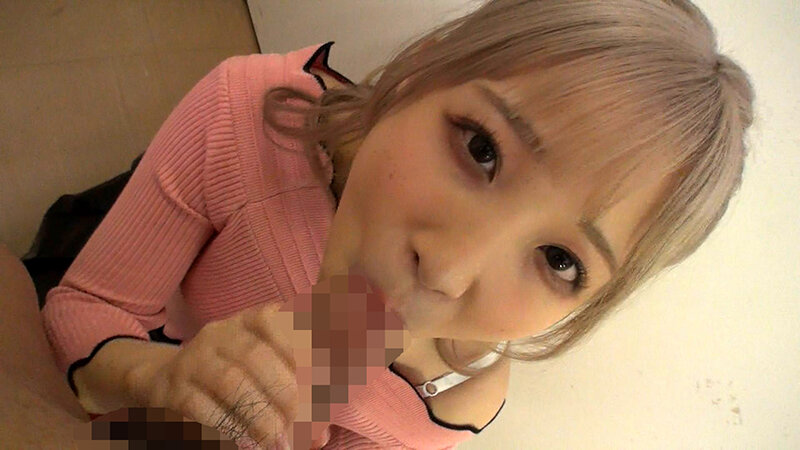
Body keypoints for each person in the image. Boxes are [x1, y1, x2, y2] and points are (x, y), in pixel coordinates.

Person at [40, 0, 755, 448]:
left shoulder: (457, 396)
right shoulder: (247, 120)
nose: (447, 270)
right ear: (419, 73)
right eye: (482, 148)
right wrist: (155, 379)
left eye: (560, 260)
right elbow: (85, 308)